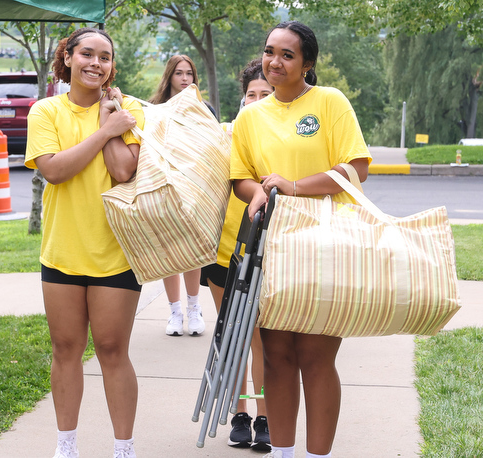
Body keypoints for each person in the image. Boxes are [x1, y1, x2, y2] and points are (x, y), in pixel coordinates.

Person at [230, 21, 372, 458]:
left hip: (326, 243)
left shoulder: (329, 102)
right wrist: (257, 195)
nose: (275, 61)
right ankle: (285, 453)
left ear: (307, 63)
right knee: (276, 356)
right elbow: (241, 179)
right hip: (272, 244)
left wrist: (292, 185)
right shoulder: (250, 116)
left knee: (315, 356)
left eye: (287, 55)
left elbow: (356, 169)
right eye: (270, 51)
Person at [24, 27, 144, 458]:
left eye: (105, 57)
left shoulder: (126, 111)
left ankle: (123, 448)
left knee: (113, 351)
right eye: (87, 54)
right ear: (68, 58)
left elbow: (124, 171)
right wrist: (103, 128)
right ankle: (66, 446)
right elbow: (54, 171)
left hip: (116, 253)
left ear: (112, 66)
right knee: (65, 350)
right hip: (63, 252)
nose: (96, 63)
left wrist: (111, 120)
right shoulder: (45, 111)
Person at [200, 57, 273, 452]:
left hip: (268, 255)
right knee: (233, 337)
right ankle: (239, 413)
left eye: (266, 94)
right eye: (251, 95)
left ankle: (265, 415)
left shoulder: (282, 137)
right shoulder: (224, 135)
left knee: (261, 338)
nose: (257, 101)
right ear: (242, 98)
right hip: (224, 252)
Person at [148, 54, 210, 336]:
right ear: (169, 77)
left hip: (195, 187)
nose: (185, 79)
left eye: (189, 73)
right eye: (179, 73)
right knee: (169, 250)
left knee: (192, 251)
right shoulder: (155, 109)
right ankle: (175, 312)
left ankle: (194, 309)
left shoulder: (203, 108)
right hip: (164, 186)